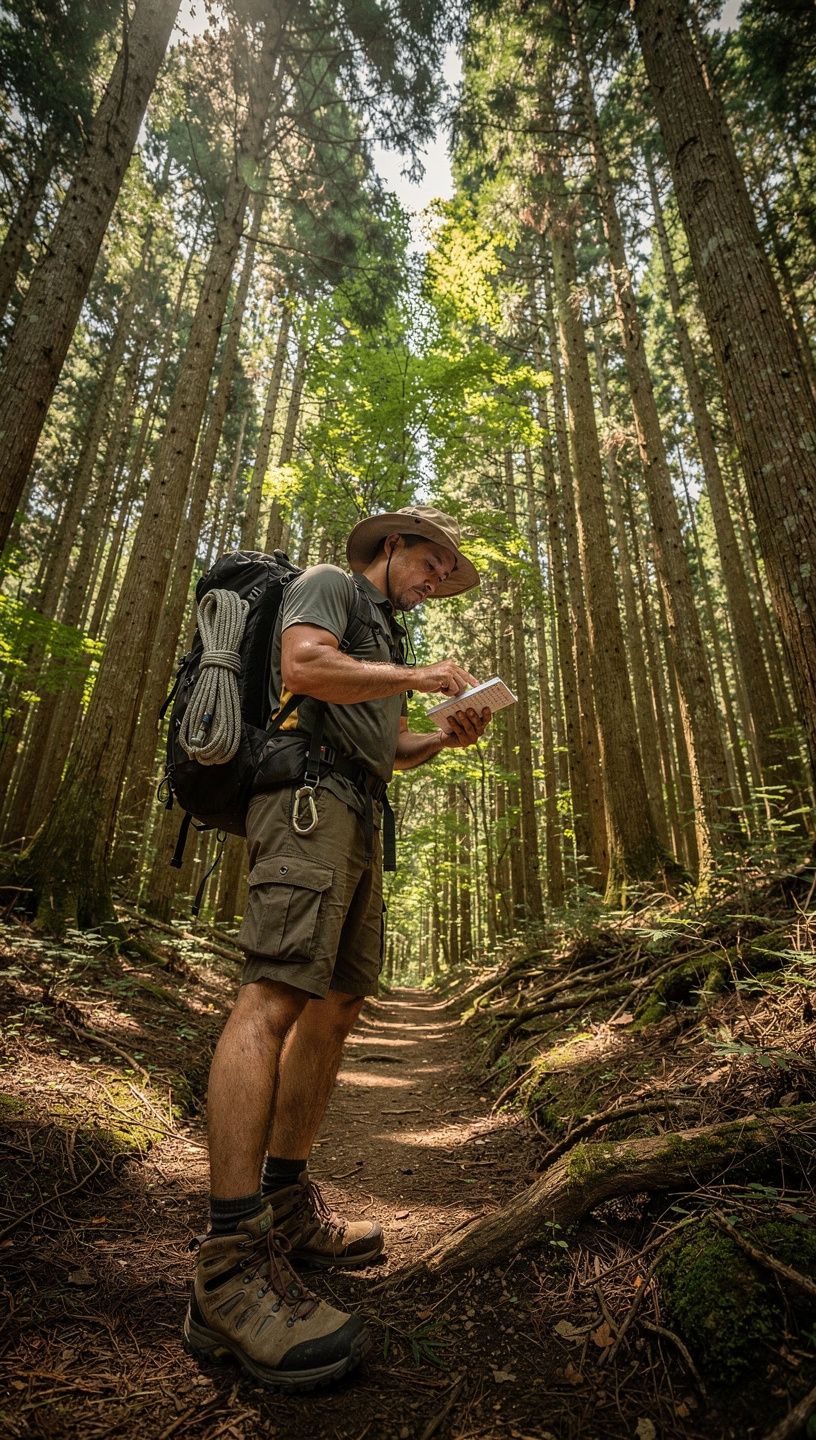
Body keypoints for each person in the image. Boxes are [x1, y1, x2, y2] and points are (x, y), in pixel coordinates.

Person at [184, 506, 490, 1390]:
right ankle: (229, 1268)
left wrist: (439, 734)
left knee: (339, 1003)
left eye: (444, 573)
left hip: (357, 811)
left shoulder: (383, 643)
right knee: (274, 994)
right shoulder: (328, 586)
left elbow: (386, 747)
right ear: (391, 549)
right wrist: (423, 670)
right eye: (431, 563)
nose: (435, 581)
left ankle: (285, 1205)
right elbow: (303, 668)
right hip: (304, 806)